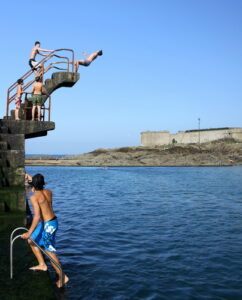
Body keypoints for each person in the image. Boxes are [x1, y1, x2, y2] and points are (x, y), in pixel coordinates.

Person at [21, 173, 69, 288]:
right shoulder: (48, 192)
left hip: (49, 226)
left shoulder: (34, 197)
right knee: (32, 240)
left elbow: (37, 216)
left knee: (49, 251)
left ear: (33, 185)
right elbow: (38, 185)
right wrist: (30, 178)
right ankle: (42, 264)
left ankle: (63, 277)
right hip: (52, 221)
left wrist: (28, 232)